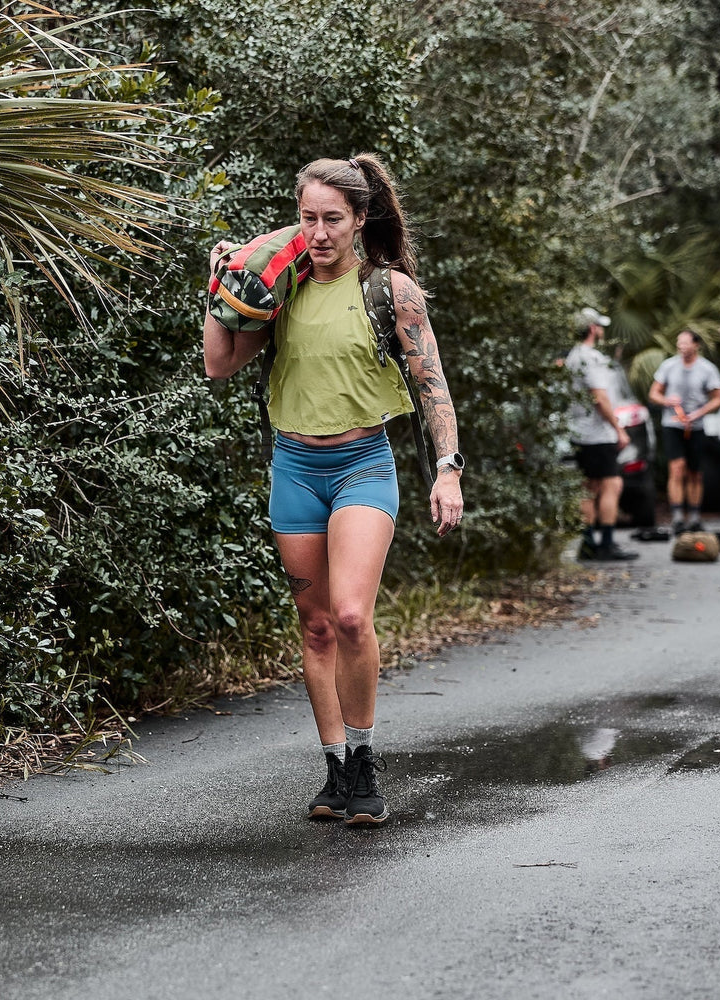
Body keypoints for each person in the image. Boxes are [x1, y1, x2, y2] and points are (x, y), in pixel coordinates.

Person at [203, 153, 464, 825]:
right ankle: (335, 770)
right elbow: (219, 365)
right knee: (315, 626)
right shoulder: (281, 287)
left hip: (362, 466)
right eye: (307, 218)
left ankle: (367, 757)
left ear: (360, 219)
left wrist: (448, 468)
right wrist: (219, 290)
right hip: (294, 467)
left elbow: (431, 382)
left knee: (350, 615)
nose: (317, 233)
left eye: (332, 220)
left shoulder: (390, 291)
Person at [565, 307, 638, 561]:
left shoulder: (573, 356)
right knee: (612, 485)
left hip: (579, 431)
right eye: (601, 326)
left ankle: (588, 544)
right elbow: (600, 396)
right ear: (593, 328)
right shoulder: (590, 357)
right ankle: (606, 543)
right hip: (597, 433)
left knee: (589, 487)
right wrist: (618, 429)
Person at [648, 329, 720, 534]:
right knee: (677, 468)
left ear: (696, 345)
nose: (681, 346)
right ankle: (678, 516)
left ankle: (695, 516)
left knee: (695, 473)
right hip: (673, 424)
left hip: (696, 426)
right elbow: (653, 393)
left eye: (686, 343)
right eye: (679, 343)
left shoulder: (707, 369)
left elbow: (717, 398)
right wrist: (666, 400)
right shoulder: (669, 366)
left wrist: (699, 413)